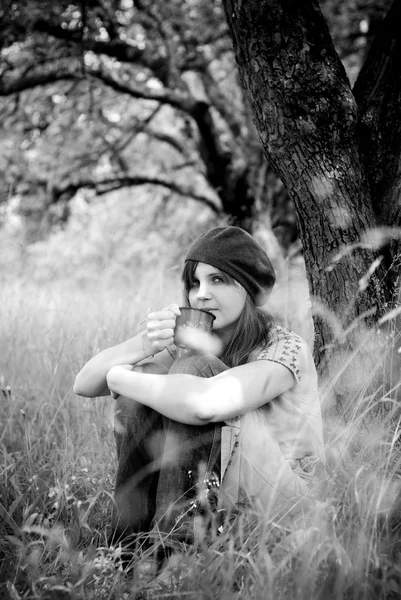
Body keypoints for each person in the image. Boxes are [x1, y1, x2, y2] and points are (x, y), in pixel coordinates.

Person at [74, 226, 325, 570]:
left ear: (249, 287)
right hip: (227, 494)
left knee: (189, 371)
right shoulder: (192, 342)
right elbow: (84, 383)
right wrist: (144, 347)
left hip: (284, 502)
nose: (200, 295)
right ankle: (126, 548)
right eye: (194, 283)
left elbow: (206, 404)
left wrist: (119, 377)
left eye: (218, 280)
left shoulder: (285, 347)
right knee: (145, 385)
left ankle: (175, 554)